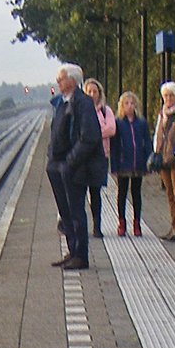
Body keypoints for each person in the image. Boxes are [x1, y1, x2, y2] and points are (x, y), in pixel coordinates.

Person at [45, 62, 101, 270]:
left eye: (61, 78)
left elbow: (89, 136)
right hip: (58, 165)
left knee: (76, 210)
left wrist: (70, 161)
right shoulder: (62, 103)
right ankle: (72, 249)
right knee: (65, 211)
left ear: (72, 80)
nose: (58, 82)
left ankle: (81, 254)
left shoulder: (83, 103)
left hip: (73, 166)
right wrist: (52, 158)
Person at [109, 91, 152, 237]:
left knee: (136, 193)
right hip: (123, 162)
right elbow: (114, 146)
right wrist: (114, 165)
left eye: (132, 103)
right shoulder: (118, 123)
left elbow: (147, 142)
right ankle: (122, 222)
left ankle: (137, 223)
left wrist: (147, 160)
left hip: (138, 162)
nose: (129, 106)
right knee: (122, 193)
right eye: (126, 103)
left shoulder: (141, 123)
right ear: (122, 106)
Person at [152, 82, 175, 240]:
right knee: (170, 194)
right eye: (165, 96)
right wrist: (156, 152)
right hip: (164, 160)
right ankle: (173, 225)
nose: (168, 99)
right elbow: (157, 134)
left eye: (171, 95)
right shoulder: (162, 114)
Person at [83, 78, 115, 234]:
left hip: (101, 156)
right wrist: (98, 132)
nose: (92, 94)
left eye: (94, 91)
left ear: (99, 93)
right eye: (89, 91)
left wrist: (91, 133)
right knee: (80, 193)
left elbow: (111, 129)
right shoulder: (81, 110)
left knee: (96, 192)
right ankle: (81, 226)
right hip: (83, 156)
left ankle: (97, 226)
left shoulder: (105, 111)